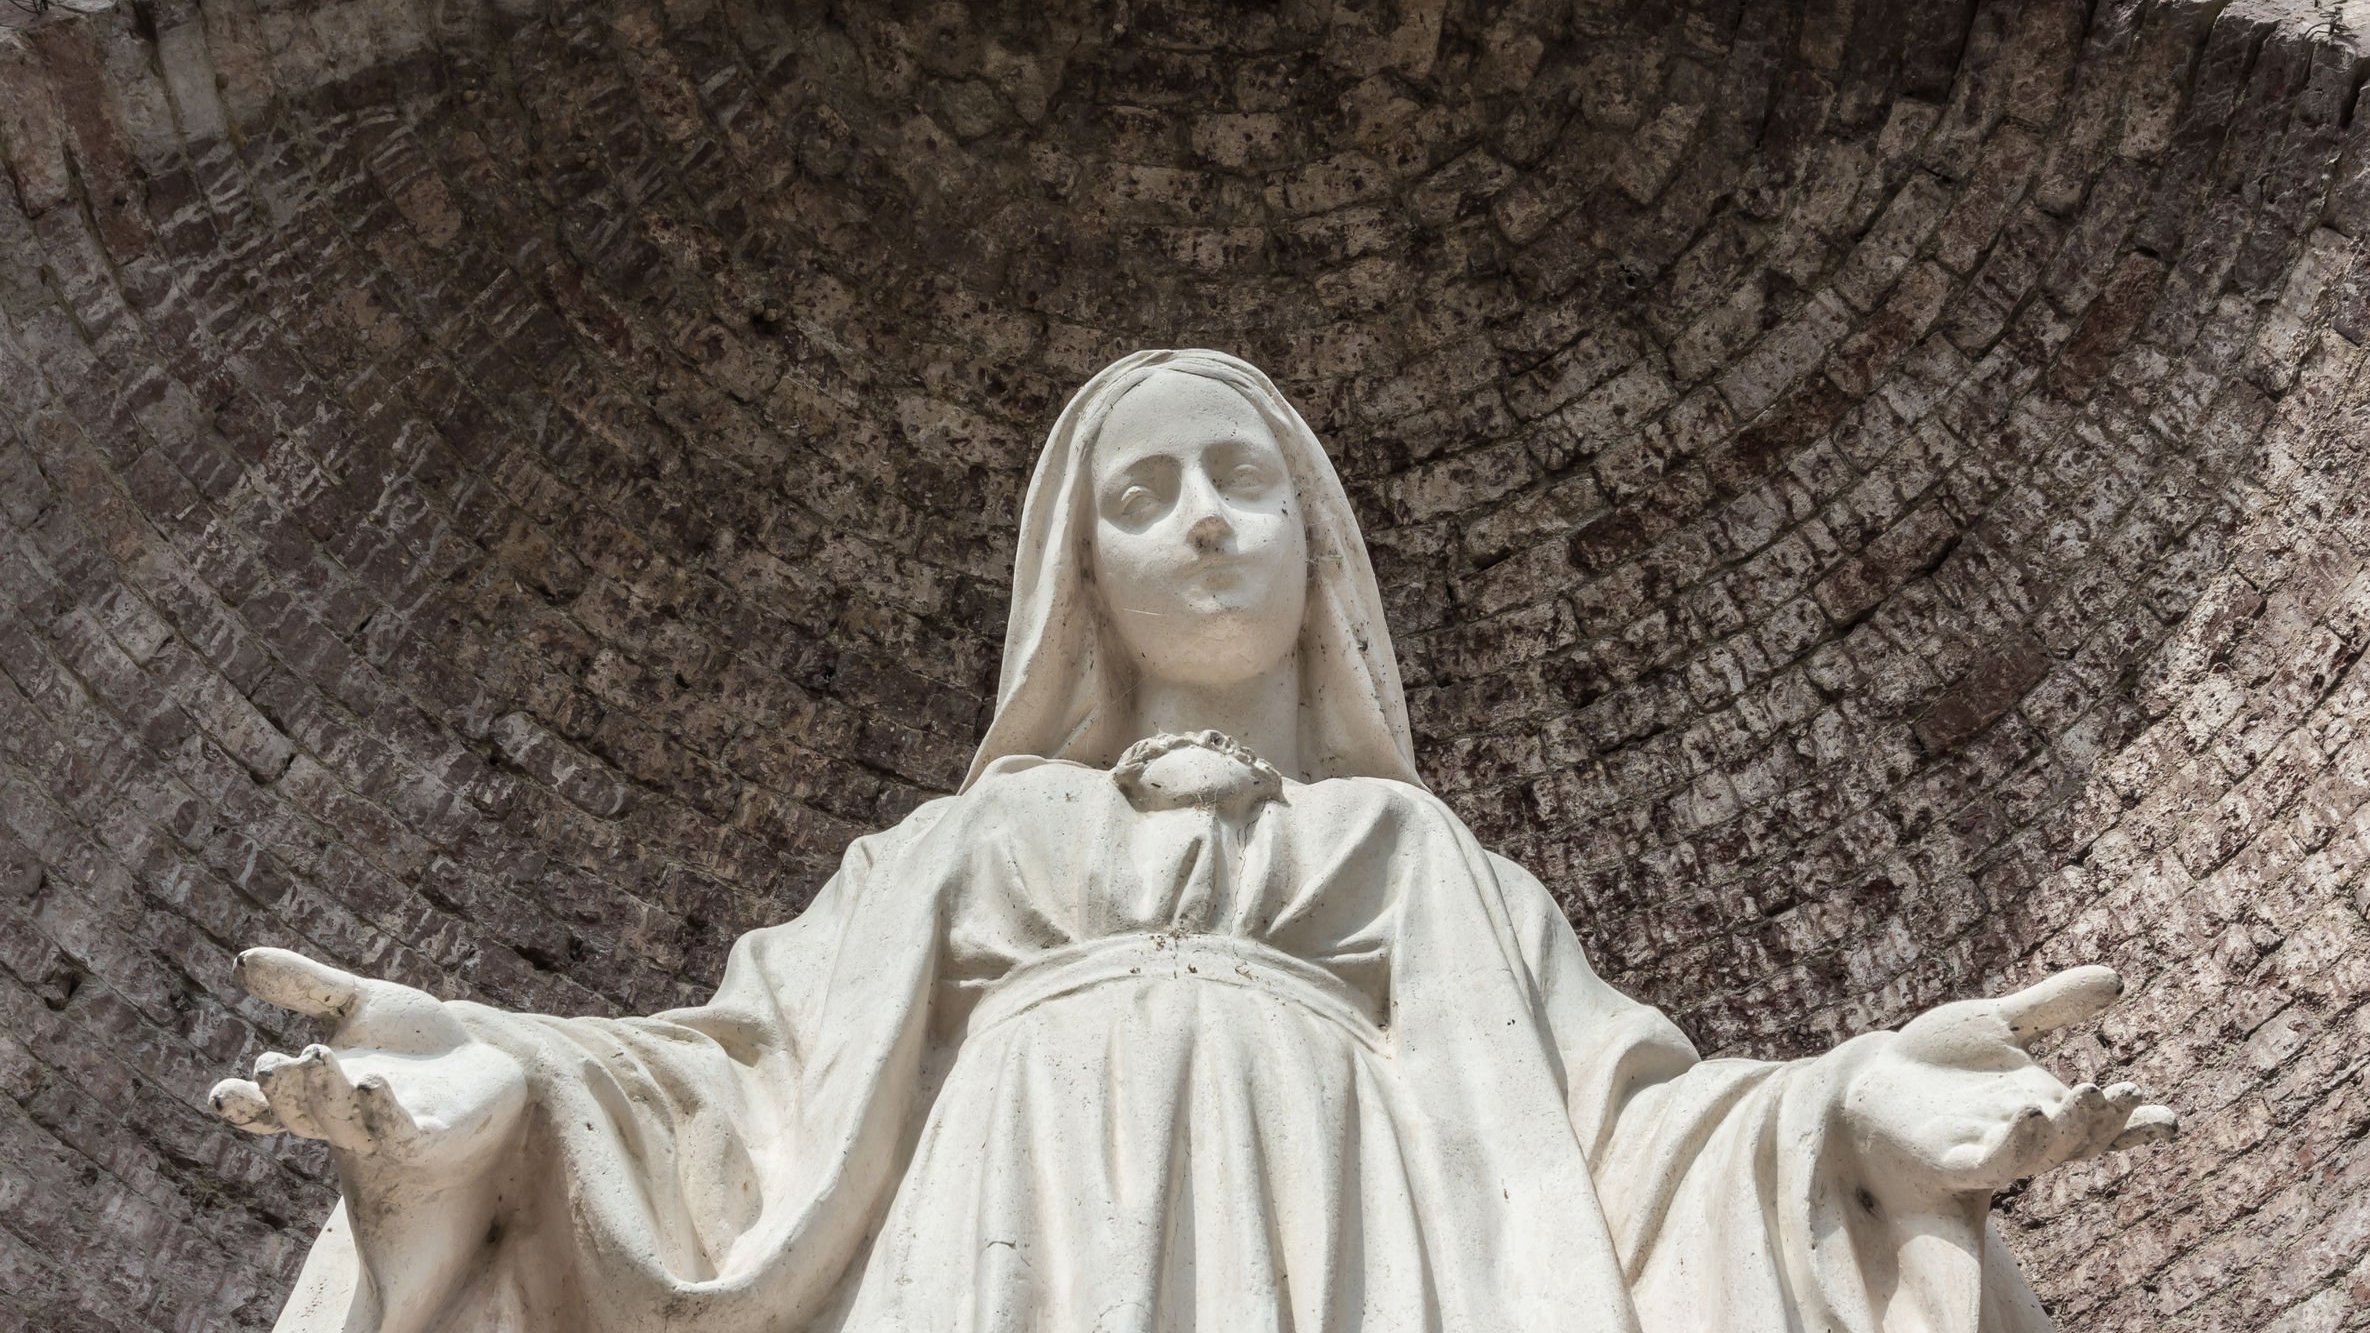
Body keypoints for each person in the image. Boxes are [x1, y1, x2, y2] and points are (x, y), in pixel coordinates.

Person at [212, 349, 2175, 1332]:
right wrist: (505, 1094)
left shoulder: (1430, 873)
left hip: (1355, 1240)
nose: (1205, 518)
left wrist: (1841, 1126)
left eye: (1243, 478)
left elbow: (1626, 1156)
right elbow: (737, 1100)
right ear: (1082, 572)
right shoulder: (946, 859)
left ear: (1322, 548)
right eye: (1144, 492)